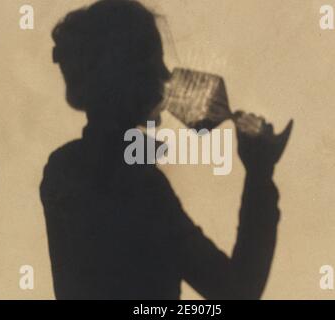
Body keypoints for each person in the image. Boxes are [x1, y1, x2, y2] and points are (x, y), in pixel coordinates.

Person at [41, 0, 286, 300]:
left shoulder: (61, 170)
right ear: (131, 79)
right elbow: (236, 292)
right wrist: (259, 175)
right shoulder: (139, 187)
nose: (166, 75)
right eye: (155, 63)